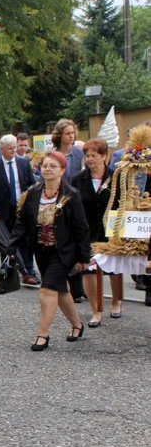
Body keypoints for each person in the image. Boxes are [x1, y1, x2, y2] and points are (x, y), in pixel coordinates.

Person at [8, 150, 91, 351]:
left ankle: (42, 334)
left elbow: (81, 227)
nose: (48, 169)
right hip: (41, 249)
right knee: (60, 291)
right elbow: (22, 222)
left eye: (53, 166)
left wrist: (84, 257)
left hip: (64, 251)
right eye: (44, 165)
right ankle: (77, 325)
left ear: (62, 170)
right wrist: (11, 246)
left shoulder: (71, 195)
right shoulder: (33, 192)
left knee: (47, 289)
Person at [70, 138, 122, 326]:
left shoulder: (116, 176)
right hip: (87, 232)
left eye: (94, 155)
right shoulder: (78, 179)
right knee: (89, 270)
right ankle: (95, 310)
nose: (89, 159)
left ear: (104, 156)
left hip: (111, 231)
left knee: (114, 270)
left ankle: (116, 301)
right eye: (87, 155)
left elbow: (121, 203)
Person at [0, 134, 39, 283]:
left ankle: (29, 271)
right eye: (10, 148)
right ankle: (9, 272)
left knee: (26, 241)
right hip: (4, 210)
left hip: (22, 209)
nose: (14, 150)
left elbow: (31, 185)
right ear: (2, 149)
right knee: (7, 243)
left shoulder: (23, 163)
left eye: (15, 147)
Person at [51, 119, 87, 302]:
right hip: (58, 203)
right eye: (67, 133)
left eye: (73, 133)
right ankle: (60, 283)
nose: (71, 136)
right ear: (60, 136)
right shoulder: (54, 155)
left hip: (77, 202)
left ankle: (77, 288)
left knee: (77, 245)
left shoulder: (80, 154)